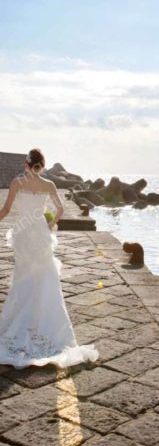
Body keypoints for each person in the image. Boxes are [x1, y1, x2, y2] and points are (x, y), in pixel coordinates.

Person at [0, 148, 98, 368]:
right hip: (41, 234)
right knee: (45, 278)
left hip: (23, 236)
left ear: (26, 164)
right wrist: (50, 224)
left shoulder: (18, 182)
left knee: (23, 278)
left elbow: (5, 210)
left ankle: (20, 322)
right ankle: (45, 325)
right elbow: (60, 209)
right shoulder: (49, 185)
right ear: (42, 166)